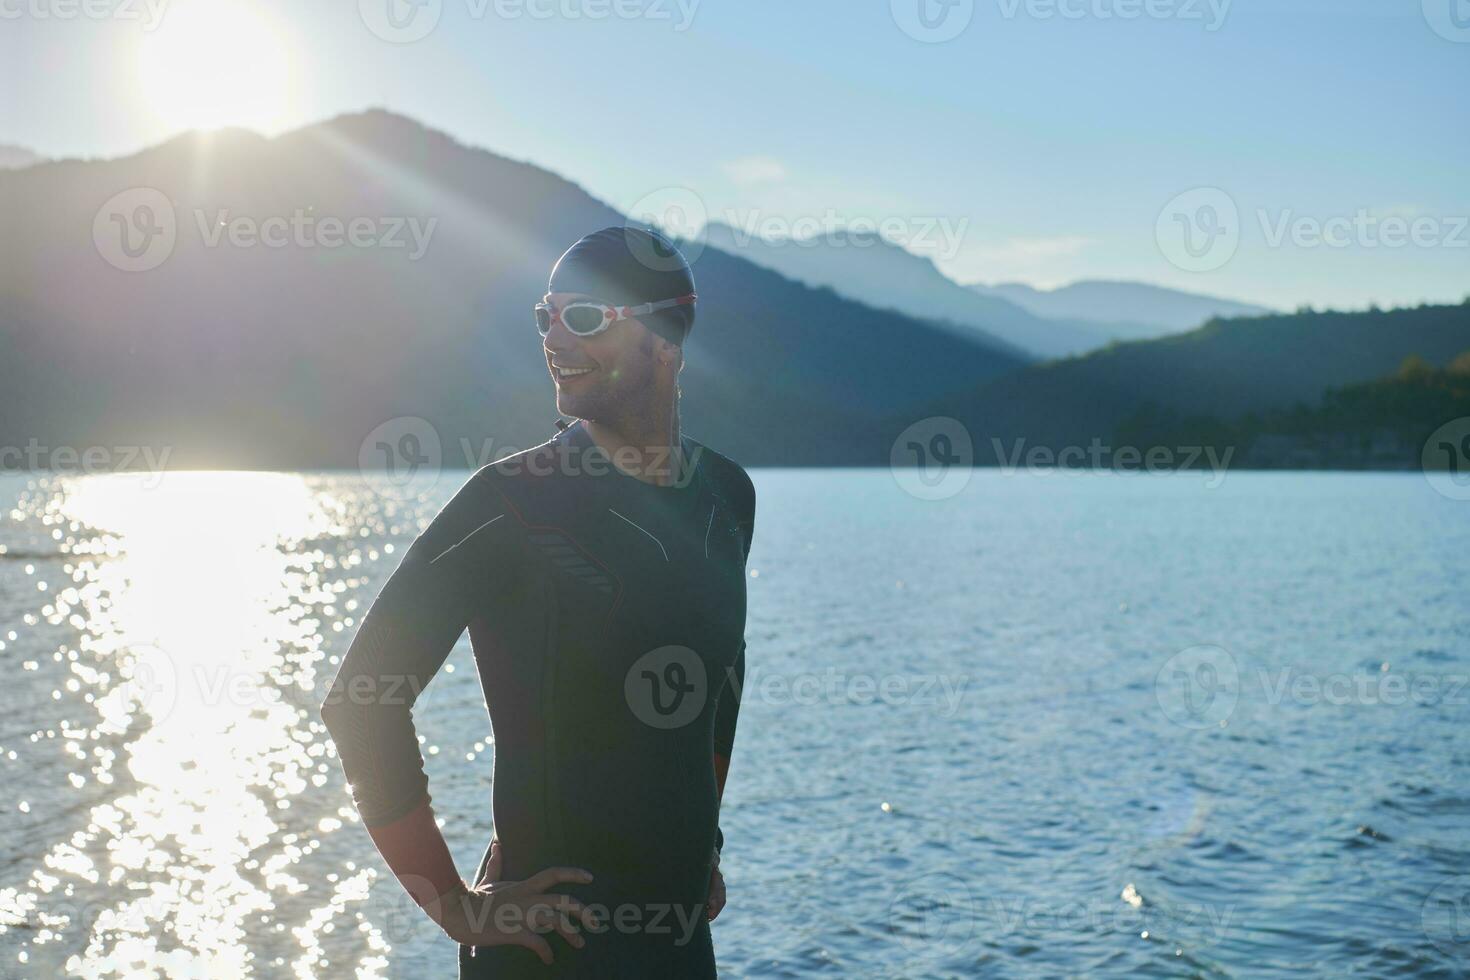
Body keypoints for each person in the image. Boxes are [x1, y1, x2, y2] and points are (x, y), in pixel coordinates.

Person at [320, 226, 755, 978]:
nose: (554, 337)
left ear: (664, 335)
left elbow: (719, 682)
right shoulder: (512, 502)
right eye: (544, 315)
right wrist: (456, 908)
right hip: (547, 952)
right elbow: (361, 700)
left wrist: (701, 842)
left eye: (583, 316)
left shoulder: (726, 496)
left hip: (681, 949)